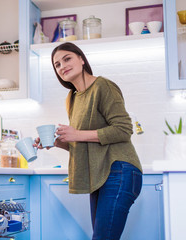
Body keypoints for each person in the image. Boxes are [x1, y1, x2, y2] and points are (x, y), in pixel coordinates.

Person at [35, 42, 143, 240]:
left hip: (119, 169)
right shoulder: (72, 98)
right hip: (99, 175)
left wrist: (76, 134)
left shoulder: (103, 86)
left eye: (67, 59)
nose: (62, 66)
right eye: (57, 64)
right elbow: (82, 143)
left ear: (81, 59)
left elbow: (123, 129)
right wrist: (56, 142)